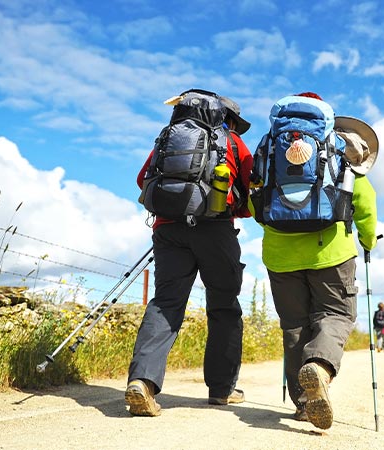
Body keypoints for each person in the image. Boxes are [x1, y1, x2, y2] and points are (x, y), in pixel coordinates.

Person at [252, 92, 378, 430]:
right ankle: (320, 367)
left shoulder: (270, 149)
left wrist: (279, 226)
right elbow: (364, 203)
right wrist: (366, 242)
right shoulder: (339, 149)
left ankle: (303, 403)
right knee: (336, 313)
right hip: (331, 252)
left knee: (294, 325)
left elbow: (255, 205)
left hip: (279, 255)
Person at [124, 94, 253, 417]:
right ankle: (222, 390)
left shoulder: (169, 138)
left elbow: (143, 180)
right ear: (229, 120)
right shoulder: (234, 143)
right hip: (216, 230)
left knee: (165, 302)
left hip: (168, 230)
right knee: (224, 306)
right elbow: (250, 195)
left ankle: (143, 382)